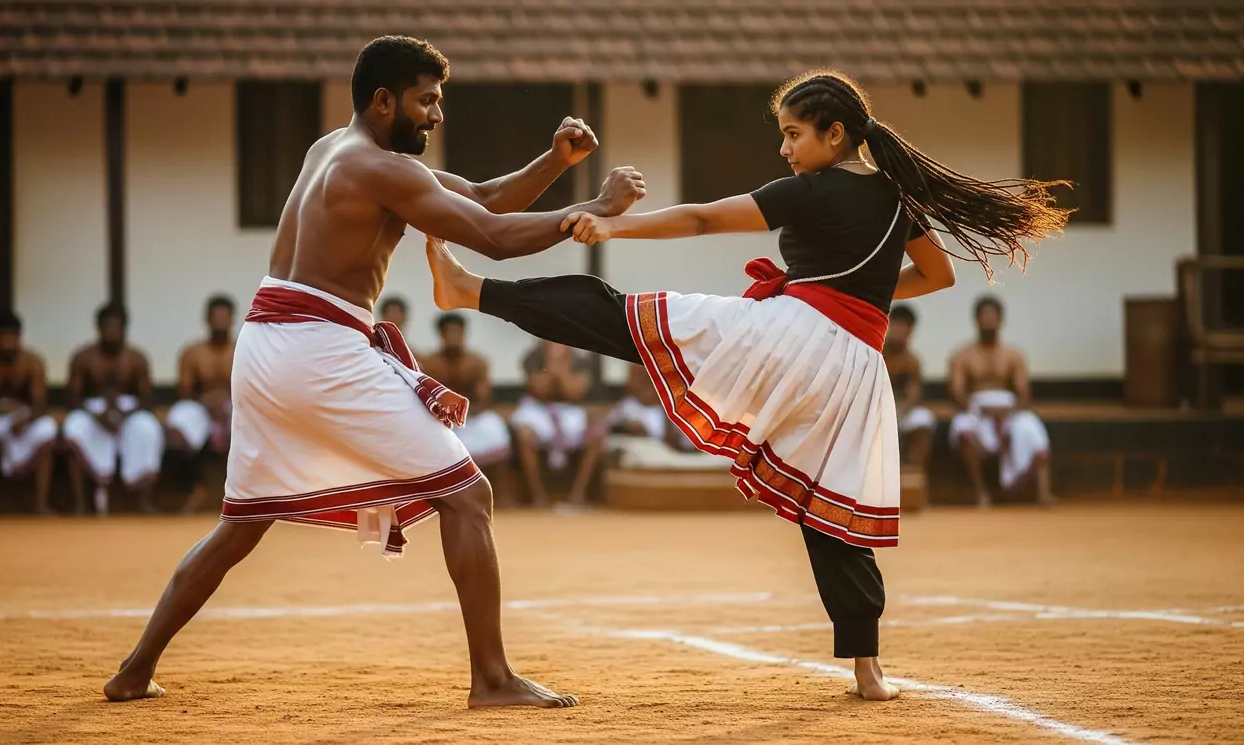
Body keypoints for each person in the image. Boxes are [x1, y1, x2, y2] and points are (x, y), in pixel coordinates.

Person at [427, 69, 1069, 701]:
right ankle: (868, 671)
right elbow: (937, 277)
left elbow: (704, 220)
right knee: (832, 511)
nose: (785, 149)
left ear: (836, 135)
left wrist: (617, 225)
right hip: (854, 371)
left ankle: (470, 290)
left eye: (793, 135)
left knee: (621, 318)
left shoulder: (811, 191)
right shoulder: (901, 198)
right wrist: (853, 300)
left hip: (791, 339)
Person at [102, 35, 643, 707]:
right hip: (321, 349)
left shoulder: (332, 149)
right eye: (428, 101)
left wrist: (556, 163)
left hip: (267, 345)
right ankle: (494, 679)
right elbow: (492, 238)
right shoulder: (384, 171)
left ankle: (133, 669)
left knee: (241, 523)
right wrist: (594, 213)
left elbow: (478, 196)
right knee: (468, 495)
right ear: (384, 101)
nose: (437, 115)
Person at [948, 295, 1054, 508]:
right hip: (976, 411)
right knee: (962, 428)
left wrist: (1010, 411)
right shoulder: (962, 355)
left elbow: (1024, 392)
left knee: (1031, 427)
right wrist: (979, 409)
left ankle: (1044, 493)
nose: (988, 321)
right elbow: (956, 392)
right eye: (984, 316)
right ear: (976, 320)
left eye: (992, 316)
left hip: (1009, 411)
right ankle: (981, 493)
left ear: (1001, 320)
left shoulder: (1013, 356)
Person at [62, 303, 165, 515]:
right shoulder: (83, 357)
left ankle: (143, 501)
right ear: (98, 328)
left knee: (149, 428)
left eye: (116, 328)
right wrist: (97, 416)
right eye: (107, 327)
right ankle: (80, 503)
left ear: (124, 329)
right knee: (73, 428)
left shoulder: (136, 358)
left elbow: (147, 399)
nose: (112, 332)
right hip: (91, 411)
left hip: (128, 411)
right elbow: (72, 398)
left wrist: (124, 415)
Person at [0, 311, 59, 515]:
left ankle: (41, 504)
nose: (8, 342)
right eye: (4, 337)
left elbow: (41, 403)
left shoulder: (32, 361)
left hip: (23, 418)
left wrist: (24, 418)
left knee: (48, 429)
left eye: (13, 337)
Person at [418, 313, 513, 482]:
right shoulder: (430, 364)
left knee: (496, 429)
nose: (454, 337)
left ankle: (504, 494)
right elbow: (425, 398)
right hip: (442, 420)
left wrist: (466, 411)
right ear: (442, 335)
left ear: (464, 334)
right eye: (450, 332)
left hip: (473, 418)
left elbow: (485, 399)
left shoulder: (477, 362)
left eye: (458, 332)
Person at [166, 295, 237, 513]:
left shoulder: (243, 347)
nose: (220, 322)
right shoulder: (193, 352)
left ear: (232, 319)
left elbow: (254, 385)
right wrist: (208, 403)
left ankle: (243, 494)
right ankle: (192, 488)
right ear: (207, 320)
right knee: (179, 420)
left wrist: (227, 402)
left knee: (258, 421)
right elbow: (184, 391)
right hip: (200, 406)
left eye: (225, 317)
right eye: (216, 317)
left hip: (236, 404)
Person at [510, 341, 593, 506]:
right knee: (525, 435)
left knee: (597, 434)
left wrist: (560, 370)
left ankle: (578, 495)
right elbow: (540, 390)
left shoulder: (579, 357)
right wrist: (552, 366)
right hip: (537, 410)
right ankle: (538, 495)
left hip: (570, 411)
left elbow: (575, 392)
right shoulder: (533, 355)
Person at [883, 304, 936, 468]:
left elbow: (914, 394)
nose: (899, 331)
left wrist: (902, 408)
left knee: (924, 419)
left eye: (904, 326)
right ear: (888, 325)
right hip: (874, 410)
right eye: (896, 325)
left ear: (911, 331)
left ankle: (912, 471)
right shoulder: (875, 353)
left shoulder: (912, 362)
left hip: (901, 411)